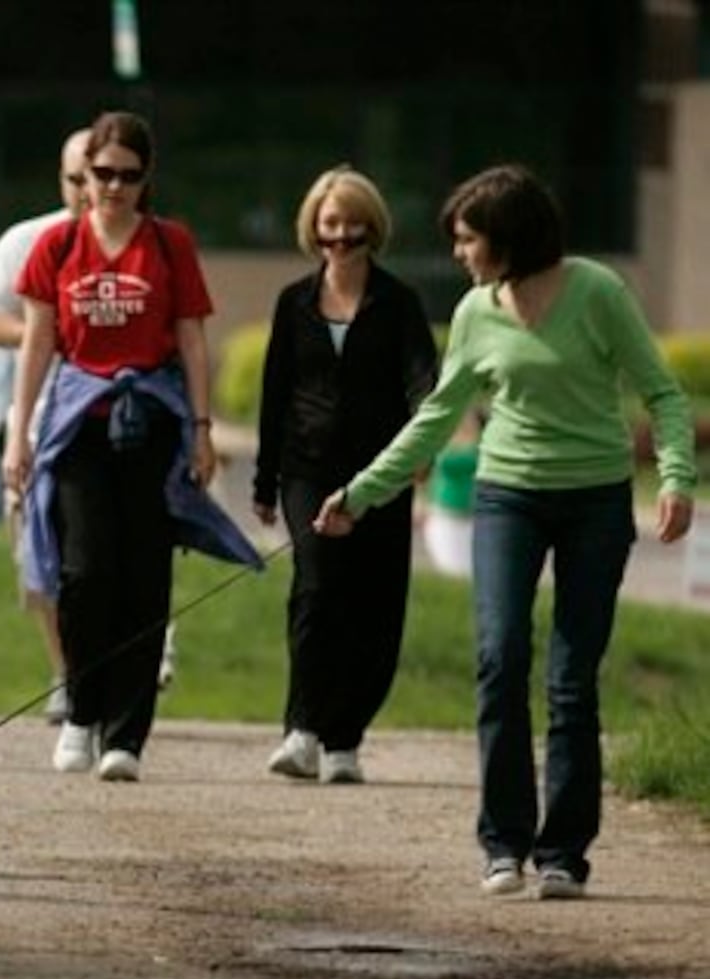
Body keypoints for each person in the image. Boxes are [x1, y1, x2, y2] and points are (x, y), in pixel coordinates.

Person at [315, 164, 696, 899]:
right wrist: (362, 493)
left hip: (594, 501)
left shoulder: (597, 293)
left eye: (468, 239)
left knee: (570, 681)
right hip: (507, 497)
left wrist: (676, 476)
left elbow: (661, 392)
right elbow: (435, 415)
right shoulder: (475, 311)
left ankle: (563, 854)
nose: (459, 252)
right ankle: (504, 842)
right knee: (498, 658)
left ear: (509, 238)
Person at [3, 110, 260, 783]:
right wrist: (17, 434)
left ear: (147, 180)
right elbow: (37, 342)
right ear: (83, 176)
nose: (113, 187)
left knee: (145, 579)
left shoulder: (170, 244)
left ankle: (127, 736)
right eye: (102, 173)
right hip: (78, 424)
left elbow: (191, 339)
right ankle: (82, 713)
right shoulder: (56, 248)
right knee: (85, 572)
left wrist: (203, 429)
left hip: (153, 422)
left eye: (128, 175)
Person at [252, 166, 439, 784]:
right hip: (306, 467)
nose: (341, 238)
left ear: (372, 231)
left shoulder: (399, 303)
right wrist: (263, 481)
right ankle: (302, 729)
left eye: (353, 228)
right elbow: (275, 392)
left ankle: (345, 737)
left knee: (377, 604)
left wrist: (422, 446)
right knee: (316, 586)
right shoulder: (293, 303)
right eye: (330, 226)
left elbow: (422, 381)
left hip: (380, 472)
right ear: (314, 229)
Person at [0, 127, 89, 725]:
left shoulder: (146, 245)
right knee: (37, 564)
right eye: (76, 179)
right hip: (37, 422)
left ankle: (121, 665)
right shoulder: (30, 241)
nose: (90, 190)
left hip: (107, 426)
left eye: (104, 176)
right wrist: (42, 335)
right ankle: (66, 673)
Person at [421, 408, 482, 576]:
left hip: (475, 517)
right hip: (444, 515)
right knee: (450, 571)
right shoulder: (442, 441)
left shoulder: (484, 444)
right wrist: (422, 504)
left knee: (473, 573)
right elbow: (428, 477)